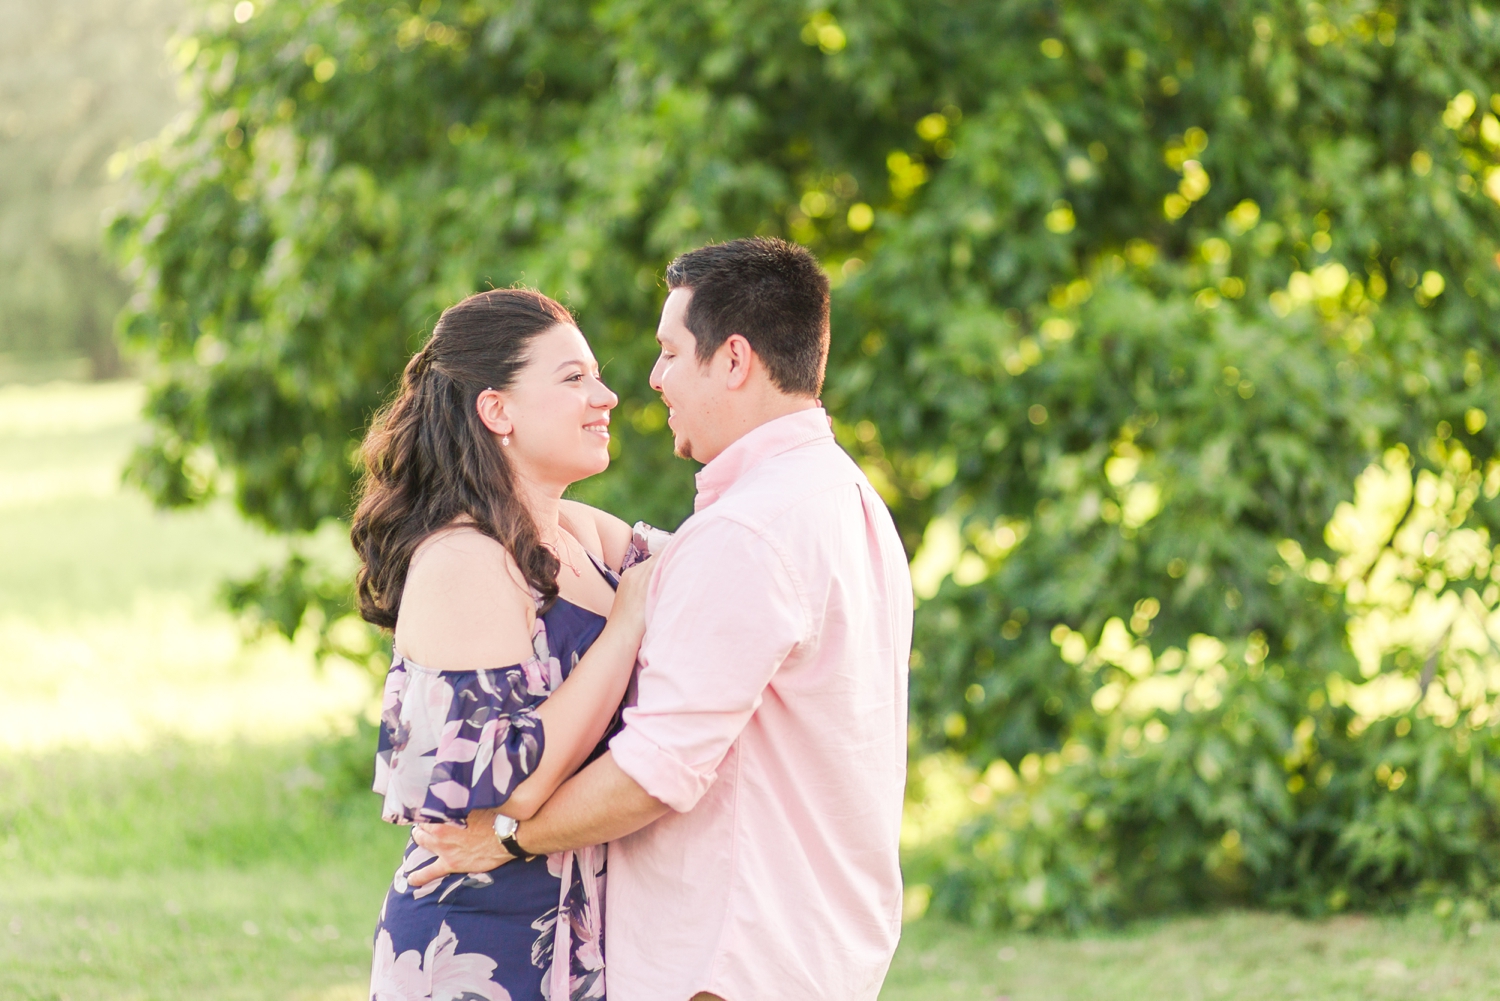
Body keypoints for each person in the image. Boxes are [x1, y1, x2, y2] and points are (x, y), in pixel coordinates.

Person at [412, 237, 915, 1001]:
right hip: (812, 951)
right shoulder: (841, 498)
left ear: (735, 359)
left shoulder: (747, 533)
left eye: (670, 352)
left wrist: (507, 838)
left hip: (726, 962)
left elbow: (654, 773)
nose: (650, 381)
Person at [350, 287, 661, 1001]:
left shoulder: (584, 535)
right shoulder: (466, 561)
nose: (607, 395)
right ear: (498, 409)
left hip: (576, 927)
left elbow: (700, 572)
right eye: (574, 378)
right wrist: (625, 627)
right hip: (481, 940)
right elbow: (509, 783)